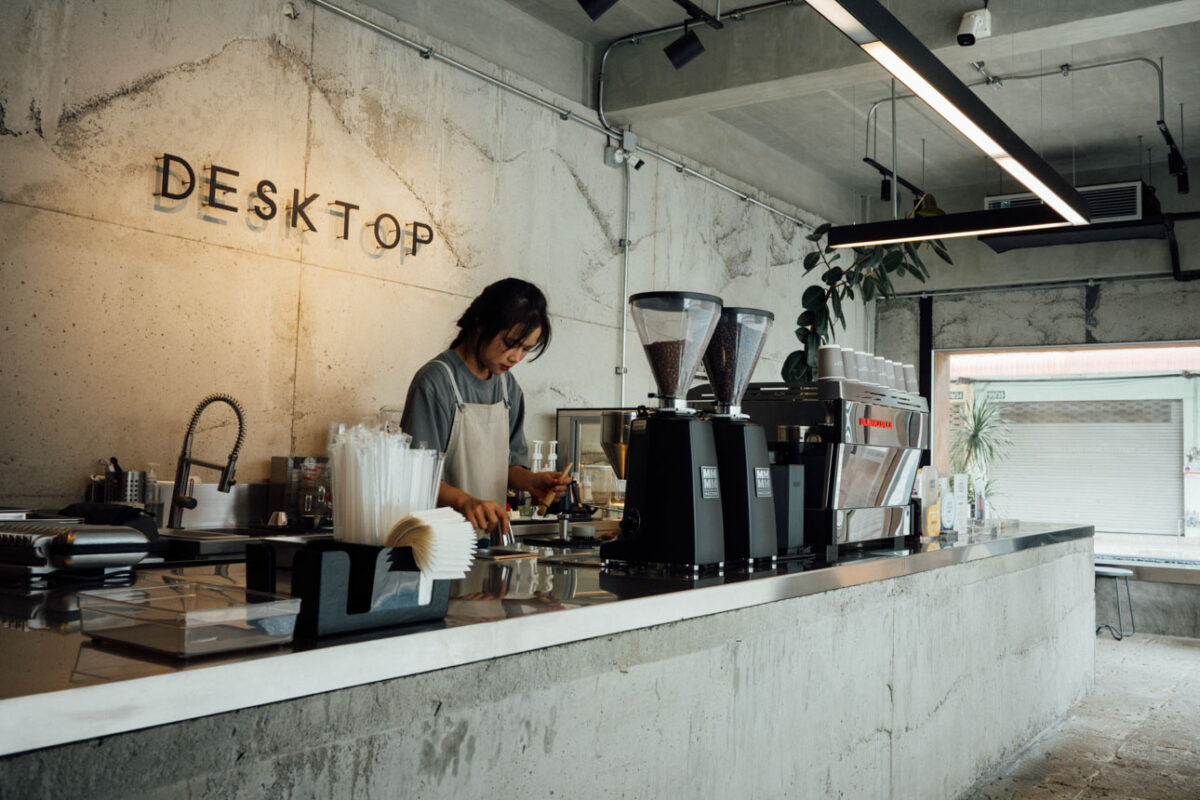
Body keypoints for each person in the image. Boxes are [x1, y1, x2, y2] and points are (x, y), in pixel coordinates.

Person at [400, 278, 570, 539]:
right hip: (439, 542)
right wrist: (465, 502)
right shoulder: (436, 382)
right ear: (480, 324)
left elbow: (510, 465)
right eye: (510, 343)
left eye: (525, 349)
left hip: (491, 539)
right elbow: (417, 478)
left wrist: (533, 481)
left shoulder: (507, 387)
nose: (515, 357)